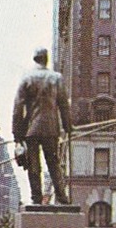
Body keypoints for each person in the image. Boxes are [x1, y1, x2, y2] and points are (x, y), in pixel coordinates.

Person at [11, 47, 73, 205]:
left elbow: (18, 107)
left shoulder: (27, 78)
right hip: (51, 128)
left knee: (34, 165)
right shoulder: (56, 78)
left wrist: (17, 134)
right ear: (46, 59)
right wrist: (67, 126)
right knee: (53, 163)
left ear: (34, 59)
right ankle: (61, 196)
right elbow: (64, 105)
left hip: (31, 129)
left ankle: (36, 198)